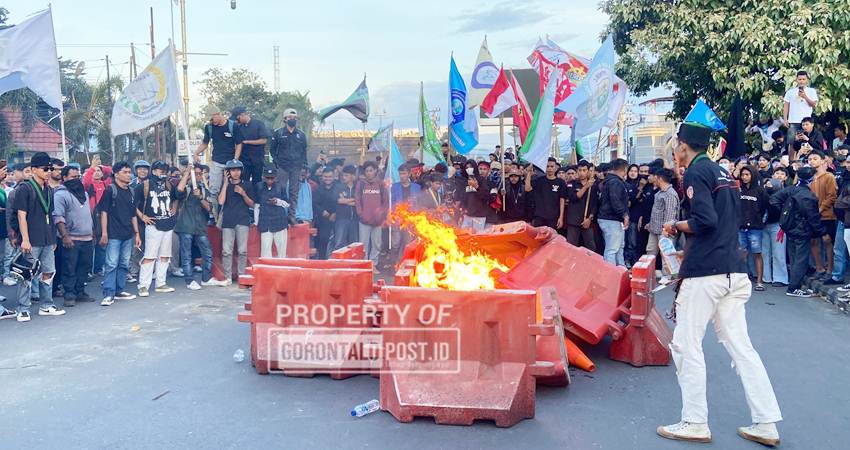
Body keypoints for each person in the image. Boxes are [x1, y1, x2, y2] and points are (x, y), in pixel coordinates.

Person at [657, 123, 782, 446]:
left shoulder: (696, 172)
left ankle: (695, 421)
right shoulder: (724, 173)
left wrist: (676, 225)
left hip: (707, 274)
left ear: (683, 146)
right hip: (733, 270)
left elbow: (705, 220)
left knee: (686, 344)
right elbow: (722, 222)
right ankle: (766, 422)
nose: (674, 152)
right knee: (742, 348)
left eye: (675, 145)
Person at [10, 153, 66, 322]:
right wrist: (25, 239)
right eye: (45, 169)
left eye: (50, 168)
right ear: (34, 169)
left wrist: (53, 238)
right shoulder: (25, 189)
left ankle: (46, 305)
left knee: (48, 272)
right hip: (31, 239)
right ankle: (23, 308)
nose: (49, 172)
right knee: (26, 274)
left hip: (47, 238)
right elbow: (21, 216)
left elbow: (51, 215)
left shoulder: (49, 189)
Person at [771, 167, 825, 298]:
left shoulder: (791, 189)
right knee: (801, 260)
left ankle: (795, 285)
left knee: (794, 259)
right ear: (811, 179)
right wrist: (821, 232)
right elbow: (813, 217)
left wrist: (785, 214)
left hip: (790, 228)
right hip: (802, 230)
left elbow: (773, 199)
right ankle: (794, 288)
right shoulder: (808, 196)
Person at [174, 163, 225, 289]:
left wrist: (200, 197)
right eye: (195, 174)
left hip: (200, 227)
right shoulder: (186, 188)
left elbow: (209, 208)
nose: (197, 176)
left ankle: (206, 278)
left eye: (199, 174)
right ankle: (189, 281)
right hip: (186, 226)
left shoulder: (204, 189)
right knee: (186, 255)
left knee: (207, 252)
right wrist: (187, 173)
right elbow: (178, 192)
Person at [134, 161, 179, 297]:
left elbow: (177, 197)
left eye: (165, 170)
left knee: (165, 256)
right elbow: (133, 205)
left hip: (168, 224)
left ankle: (161, 283)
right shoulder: (144, 186)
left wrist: (174, 208)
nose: (163, 172)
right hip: (153, 226)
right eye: (160, 170)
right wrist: (143, 217)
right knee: (150, 256)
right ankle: (143, 285)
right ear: (153, 171)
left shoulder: (169, 185)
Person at [53, 165, 95, 307]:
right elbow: (58, 217)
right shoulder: (60, 194)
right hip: (71, 238)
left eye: (78, 177)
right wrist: (65, 236)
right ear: (64, 178)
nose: (76, 179)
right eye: (73, 177)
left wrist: (93, 231)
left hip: (87, 237)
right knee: (69, 268)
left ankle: (80, 292)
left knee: (84, 267)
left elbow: (88, 214)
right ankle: (69, 295)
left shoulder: (84, 193)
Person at [218, 159, 255, 285]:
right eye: (233, 170)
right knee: (226, 251)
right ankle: (227, 277)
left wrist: (243, 193)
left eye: (238, 169)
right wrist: (225, 183)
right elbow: (221, 201)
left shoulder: (247, 185)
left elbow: (252, 204)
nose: (236, 172)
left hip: (243, 220)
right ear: (228, 172)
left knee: (242, 251)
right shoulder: (225, 185)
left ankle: (241, 276)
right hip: (228, 221)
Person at [270, 108, 308, 224]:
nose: (292, 119)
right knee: (280, 189)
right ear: (285, 119)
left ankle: (291, 216)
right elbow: (272, 150)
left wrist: (304, 166)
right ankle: (280, 215)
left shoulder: (301, 135)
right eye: (290, 118)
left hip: (296, 167)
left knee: (294, 192)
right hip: (282, 167)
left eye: (294, 118)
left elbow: (304, 151)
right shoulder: (278, 133)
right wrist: (277, 163)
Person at [737, 166, 770, 291]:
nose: (744, 177)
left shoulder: (760, 191)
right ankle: (741, 282)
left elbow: (765, 208)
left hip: (755, 227)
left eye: (747, 174)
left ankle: (759, 281)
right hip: (741, 227)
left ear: (753, 175)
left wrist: (759, 220)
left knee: (757, 253)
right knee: (741, 254)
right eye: (743, 175)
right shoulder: (739, 190)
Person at [195, 112, 238, 203]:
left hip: (230, 162)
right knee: (213, 190)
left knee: (232, 187)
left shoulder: (232, 125)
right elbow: (205, 143)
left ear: (219, 115)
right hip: (217, 161)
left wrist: (235, 160)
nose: (212, 121)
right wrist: (196, 153)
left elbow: (239, 144)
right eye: (210, 119)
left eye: (213, 119)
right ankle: (213, 209)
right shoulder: (209, 127)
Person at [806, 150, 837, 280]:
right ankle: (819, 268)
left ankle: (830, 269)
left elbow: (832, 196)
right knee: (813, 241)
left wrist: (820, 209)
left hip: (827, 215)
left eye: (815, 158)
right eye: (810, 159)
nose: (812, 161)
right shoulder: (809, 179)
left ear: (823, 160)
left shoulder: (829, 176)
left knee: (827, 241)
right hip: (813, 216)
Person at [645, 168, 679, 277]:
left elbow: (670, 215)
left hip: (665, 231)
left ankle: (668, 280)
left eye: (655, 177)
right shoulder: (660, 192)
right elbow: (657, 211)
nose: (653, 179)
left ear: (659, 178)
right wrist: (650, 224)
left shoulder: (670, 194)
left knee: (666, 257)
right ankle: (649, 277)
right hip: (654, 229)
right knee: (650, 253)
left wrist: (666, 230)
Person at [354, 161, 389, 263]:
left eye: (371, 170)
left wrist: (382, 215)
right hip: (364, 221)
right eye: (367, 171)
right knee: (363, 244)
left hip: (378, 221)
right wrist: (361, 214)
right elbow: (357, 200)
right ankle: (364, 264)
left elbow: (385, 201)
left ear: (375, 171)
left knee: (377, 244)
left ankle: (374, 263)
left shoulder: (381, 184)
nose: (369, 173)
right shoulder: (360, 184)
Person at [598, 158, 630, 266]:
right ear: (624, 169)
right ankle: (610, 273)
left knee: (619, 247)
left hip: (613, 219)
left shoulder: (610, 181)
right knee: (612, 249)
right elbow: (615, 201)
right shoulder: (614, 182)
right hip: (611, 219)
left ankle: (621, 270)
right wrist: (624, 215)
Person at [762, 168, 789, 287]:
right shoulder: (763, 191)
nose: (779, 176)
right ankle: (765, 276)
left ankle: (780, 278)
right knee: (764, 252)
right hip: (764, 225)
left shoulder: (786, 193)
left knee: (779, 253)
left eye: (782, 174)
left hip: (778, 225)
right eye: (777, 173)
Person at [254, 166, 289, 258]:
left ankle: (281, 267)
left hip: (280, 222)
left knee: (281, 252)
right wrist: (256, 222)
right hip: (265, 223)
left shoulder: (281, 187)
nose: (269, 180)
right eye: (267, 178)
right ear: (263, 177)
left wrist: (277, 201)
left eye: (272, 178)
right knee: (265, 252)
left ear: (275, 177)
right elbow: (256, 205)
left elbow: (287, 204)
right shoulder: (259, 187)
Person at [783, 70, 818, 159]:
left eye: (803, 79)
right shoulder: (790, 92)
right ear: (796, 80)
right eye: (800, 79)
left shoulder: (811, 91)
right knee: (792, 142)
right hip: (793, 121)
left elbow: (814, 104)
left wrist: (804, 96)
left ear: (807, 80)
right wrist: (785, 119)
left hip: (806, 122)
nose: (801, 81)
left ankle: (807, 160)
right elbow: (786, 106)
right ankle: (791, 162)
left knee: (807, 141)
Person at [389, 164, 421, 260]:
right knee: (396, 242)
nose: (402, 176)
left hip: (410, 219)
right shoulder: (394, 187)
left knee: (408, 242)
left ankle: (405, 261)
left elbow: (418, 203)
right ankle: (394, 262)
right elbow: (391, 202)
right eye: (400, 174)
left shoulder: (417, 187)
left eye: (404, 173)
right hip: (398, 218)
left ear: (409, 174)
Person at [565, 160, 598, 252]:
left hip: (587, 221)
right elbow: (574, 198)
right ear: (577, 171)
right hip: (573, 221)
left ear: (588, 171)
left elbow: (595, 204)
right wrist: (586, 186)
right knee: (571, 247)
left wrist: (590, 218)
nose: (582, 173)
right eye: (580, 170)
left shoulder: (594, 186)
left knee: (591, 247)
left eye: (584, 170)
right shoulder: (571, 184)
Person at [525, 158, 567, 229]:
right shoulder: (539, 180)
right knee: (539, 236)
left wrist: (561, 217)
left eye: (552, 166)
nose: (549, 168)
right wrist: (529, 172)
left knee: (552, 236)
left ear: (556, 168)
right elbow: (527, 188)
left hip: (554, 217)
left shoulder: (561, 182)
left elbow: (562, 200)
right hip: (539, 217)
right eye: (547, 166)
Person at [233, 106, 270, 185]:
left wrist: (248, 142)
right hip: (244, 160)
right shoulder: (239, 127)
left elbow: (264, 140)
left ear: (242, 115)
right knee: (244, 183)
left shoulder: (258, 124)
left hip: (257, 160)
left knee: (257, 183)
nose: (237, 121)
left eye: (238, 118)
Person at [313, 167, 340, 259]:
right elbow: (314, 203)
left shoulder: (339, 188)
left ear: (334, 176)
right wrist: (322, 211)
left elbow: (341, 202)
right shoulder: (318, 189)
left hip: (338, 219)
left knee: (338, 241)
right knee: (323, 240)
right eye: (325, 176)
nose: (328, 179)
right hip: (323, 220)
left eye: (330, 176)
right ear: (322, 177)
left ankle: (336, 262)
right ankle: (322, 261)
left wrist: (335, 213)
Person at [331, 165, 358, 251]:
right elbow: (338, 200)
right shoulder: (338, 187)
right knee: (339, 243)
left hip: (355, 220)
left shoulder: (358, 187)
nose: (344, 177)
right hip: (341, 219)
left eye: (346, 175)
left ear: (352, 176)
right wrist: (353, 200)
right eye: (343, 175)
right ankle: (339, 260)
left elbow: (359, 202)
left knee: (354, 244)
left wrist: (346, 201)